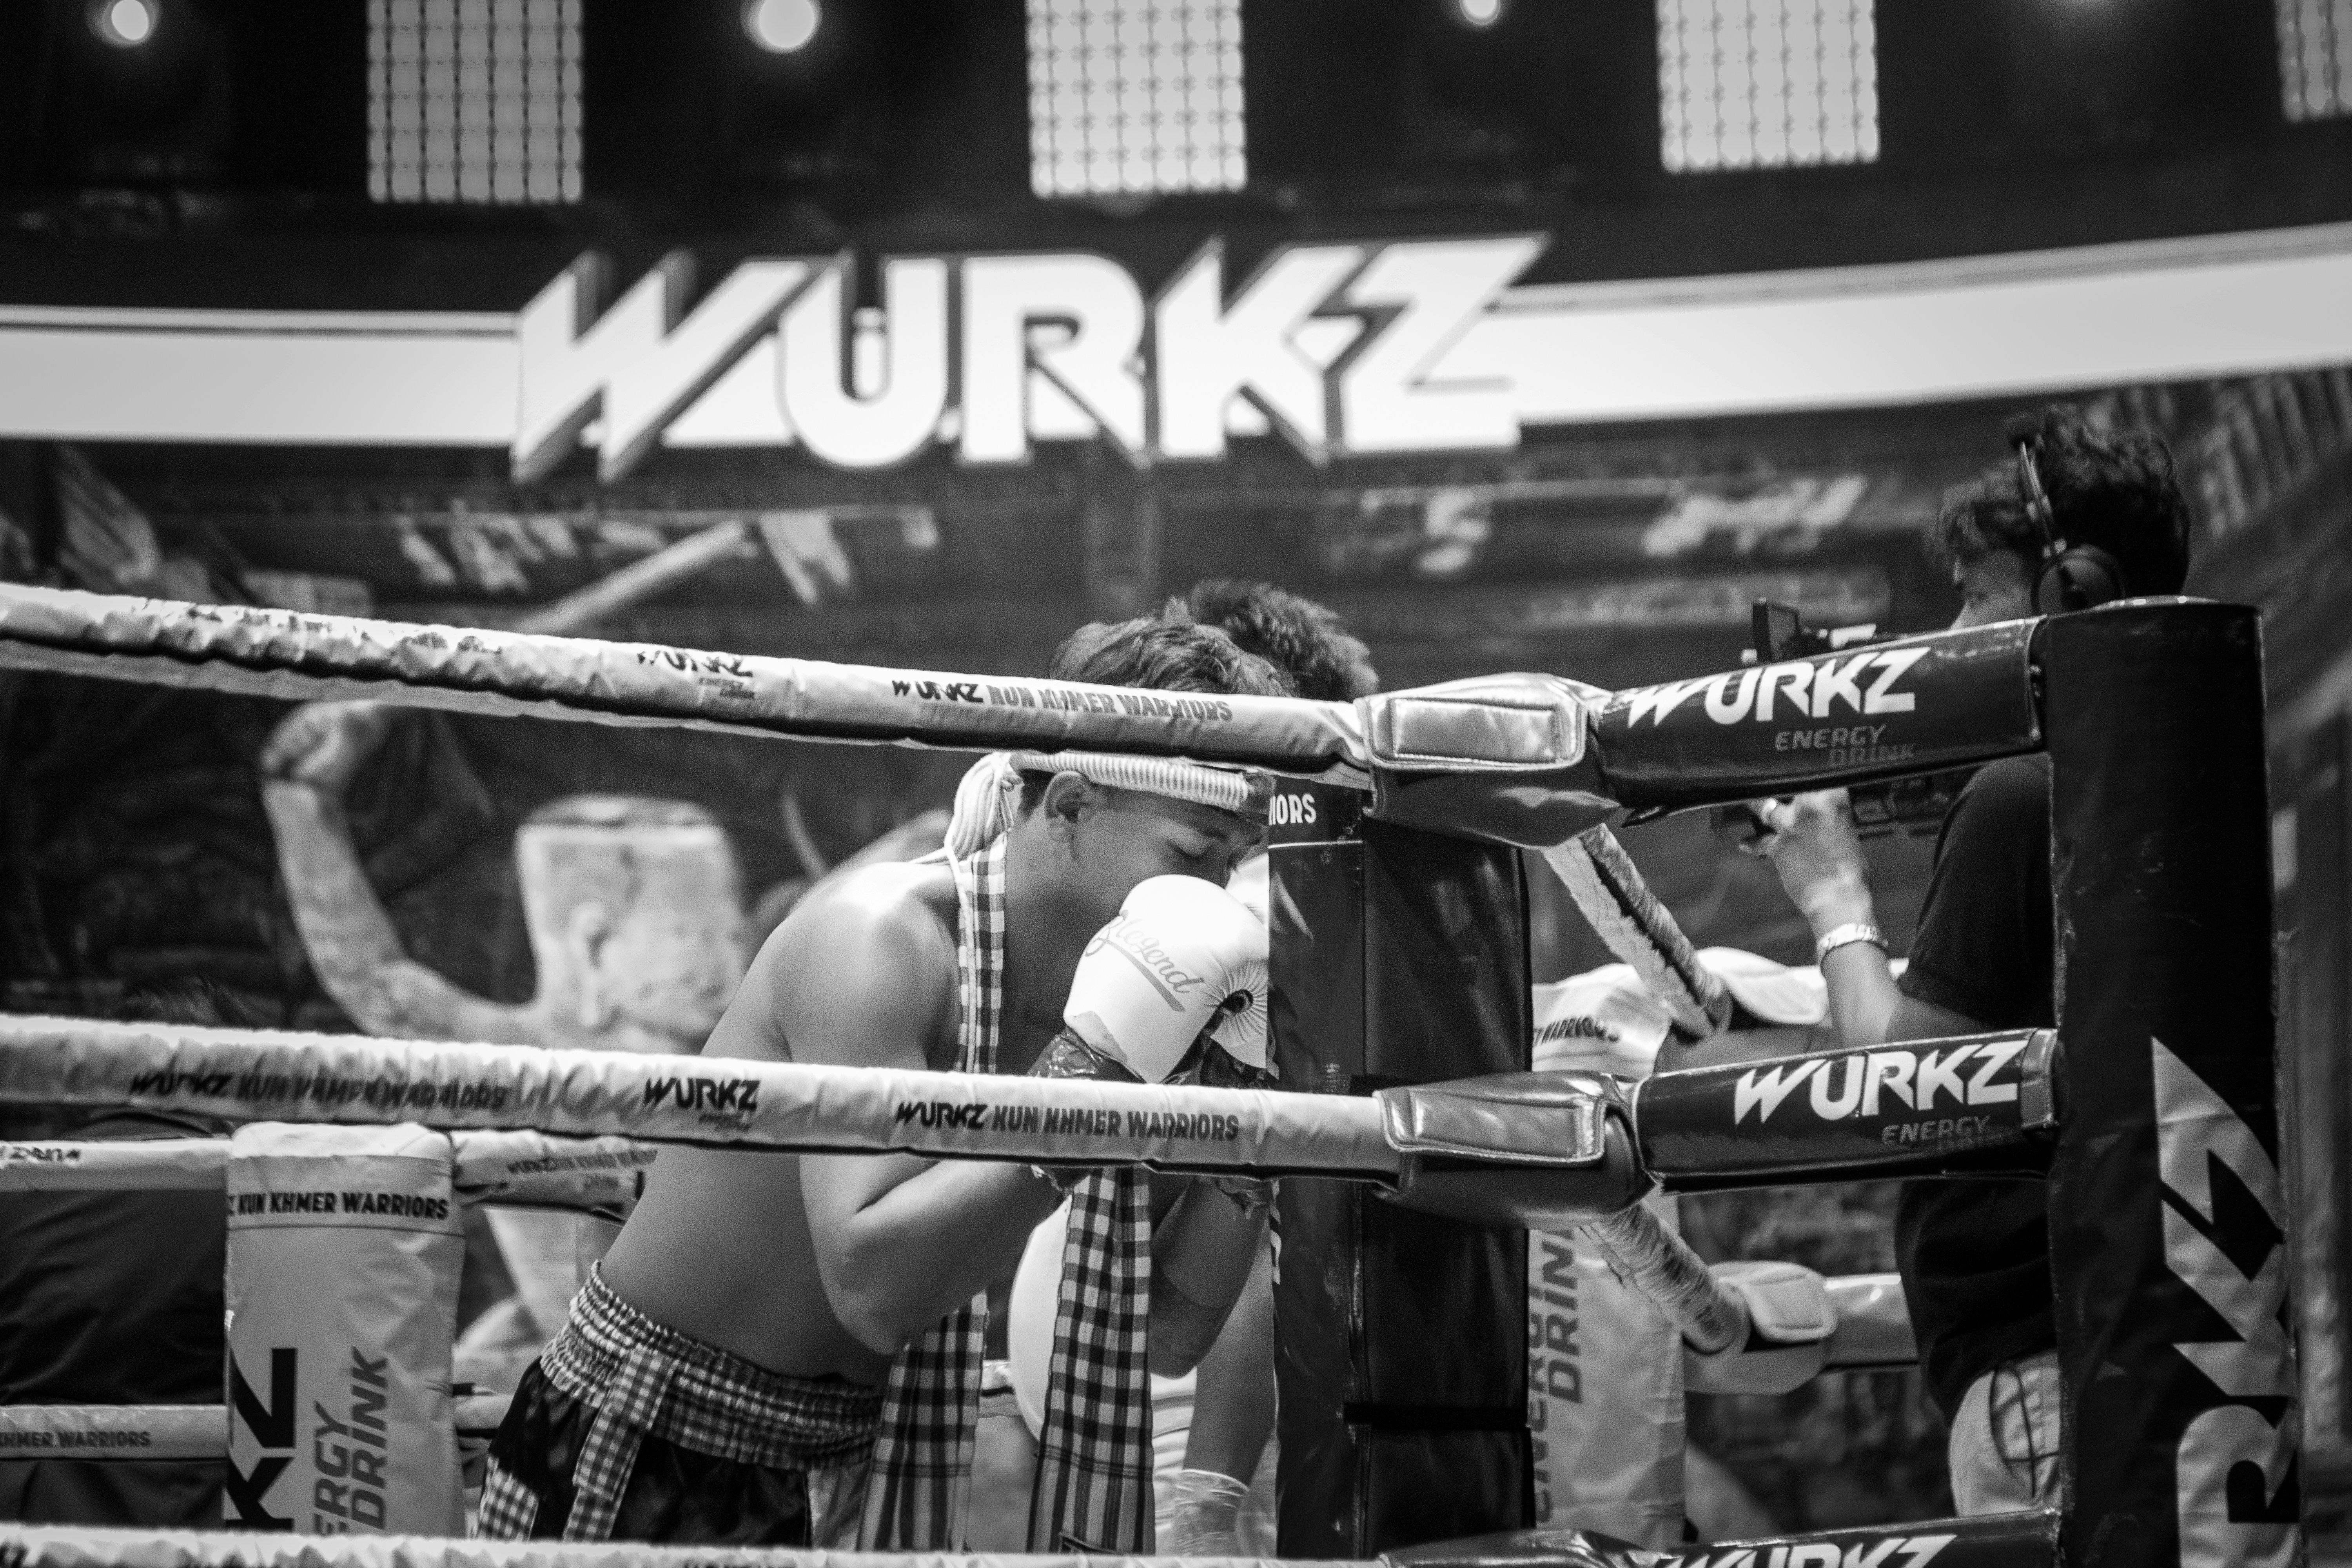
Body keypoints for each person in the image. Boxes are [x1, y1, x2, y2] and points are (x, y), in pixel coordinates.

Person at [478, 617, 1286, 1551]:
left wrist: (1247, 1111)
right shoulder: (876, 944)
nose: (1216, 898)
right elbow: (876, 1286)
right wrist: (1091, 1078)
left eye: (1233, 863)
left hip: (852, 1463)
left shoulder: (1153, 992)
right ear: (1067, 804)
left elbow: (1171, 1329)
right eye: (1193, 854)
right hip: (656, 1434)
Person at [1745, 405, 2194, 1514]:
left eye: (1980, 596)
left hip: (2042, 1378)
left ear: (2065, 600)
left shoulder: (2020, 799)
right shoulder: (2154, 783)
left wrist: (1833, 891)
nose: (1951, 635)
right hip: (2133, 1351)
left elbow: (1894, 1094)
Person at [0, 982, 245, 1527]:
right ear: (237, 1076)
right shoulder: (245, 1198)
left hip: (27, 1526)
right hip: (189, 1526)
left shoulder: (17, 1183)